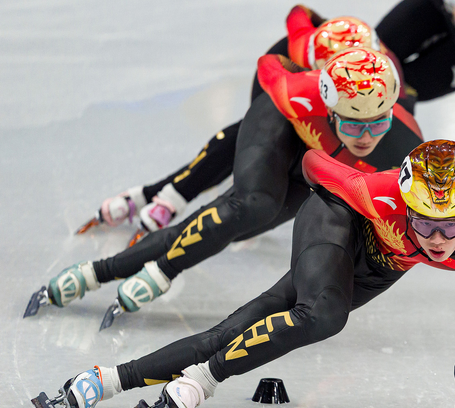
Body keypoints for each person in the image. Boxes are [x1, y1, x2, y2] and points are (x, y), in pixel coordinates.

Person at [33, 140, 455, 408]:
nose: (438, 240)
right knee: (323, 315)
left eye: (451, 226)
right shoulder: (375, 192)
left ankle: (105, 380)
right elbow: (313, 164)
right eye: (423, 221)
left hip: (374, 270)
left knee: (237, 329)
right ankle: (201, 381)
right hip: (334, 220)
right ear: (405, 205)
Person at [26, 46, 424, 323]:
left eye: (378, 123)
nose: (366, 137)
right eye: (353, 124)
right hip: (280, 124)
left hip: (317, 164)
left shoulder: (403, 148)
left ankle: (101, 268)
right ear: (330, 108)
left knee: (234, 227)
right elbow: (269, 64)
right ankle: (128, 268)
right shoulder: (298, 93)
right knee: (252, 204)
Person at [77, 5, 387, 239]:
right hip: (283, 85)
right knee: (253, 140)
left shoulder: (380, 74)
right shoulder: (299, 53)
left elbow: (299, 13)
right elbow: (298, 14)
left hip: (324, 97)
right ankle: (168, 196)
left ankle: (158, 196)